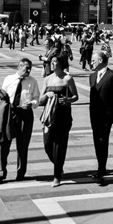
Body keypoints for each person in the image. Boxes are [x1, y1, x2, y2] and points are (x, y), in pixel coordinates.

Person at [0, 58, 40, 183]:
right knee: (3, 143)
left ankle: (21, 172)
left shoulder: (32, 81)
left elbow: (37, 98)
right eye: (26, 68)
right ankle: (1, 172)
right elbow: (0, 98)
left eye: (30, 68)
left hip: (25, 114)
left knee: (23, 145)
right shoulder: (9, 79)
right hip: (10, 113)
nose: (28, 70)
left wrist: (32, 103)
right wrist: (2, 97)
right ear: (19, 66)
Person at [40, 55, 78, 187]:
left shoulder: (68, 79)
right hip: (49, 116)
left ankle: (57, 176)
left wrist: (68, 100)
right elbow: (40, 100)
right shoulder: (47, 79)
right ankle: (58, 164)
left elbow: (75, 96)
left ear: (61, 64)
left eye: (55, 62)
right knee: (47, 144)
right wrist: (46, 95)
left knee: (60, 146)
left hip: (63, 115)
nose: (52, 64)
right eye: (51, 62)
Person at [89, 47, 113, 185]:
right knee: (97, 142)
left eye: (93, 60)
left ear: (101, 60)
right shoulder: (92, 76)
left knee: (103, 141)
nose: (91, 63)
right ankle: (100, 165)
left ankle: (101, 168)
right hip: (94, 116)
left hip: (106, 117)